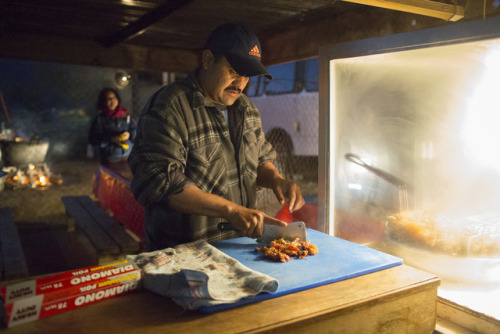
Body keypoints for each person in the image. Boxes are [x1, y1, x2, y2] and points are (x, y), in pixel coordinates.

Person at [128, 23, 305, 251]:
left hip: (239, 248)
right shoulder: (170, 107)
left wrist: (277, 180)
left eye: (247, 75)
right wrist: (230, 210)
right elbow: (161, 184)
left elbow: (260, 159)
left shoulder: (246, 109)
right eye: (234, 71)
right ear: (208, 60)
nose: (241, 82)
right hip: (185, 253)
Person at [88, 88, 135, 164]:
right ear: (103, 102)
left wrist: (129, 135)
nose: (112, 101)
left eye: (114, 97)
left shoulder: (126, 115)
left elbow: (134, 129)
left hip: (128, 155)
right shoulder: (100, 119)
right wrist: (111, 139)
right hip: (109, 158)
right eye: (109, 99)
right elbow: (93, 138)